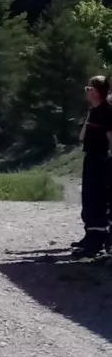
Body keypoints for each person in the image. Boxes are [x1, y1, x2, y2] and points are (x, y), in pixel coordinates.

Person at [72, 75, 112, 255]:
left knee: (97, 199)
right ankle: (90, 236)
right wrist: (89, 116)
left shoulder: (107, 111)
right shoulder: (95, 111)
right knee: (88, 198)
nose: (86, 92)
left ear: (94, 91)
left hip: (102, 158)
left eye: (88, 89)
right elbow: (82, 137)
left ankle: (96, 240)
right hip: (91, 156)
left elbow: (110, 137)